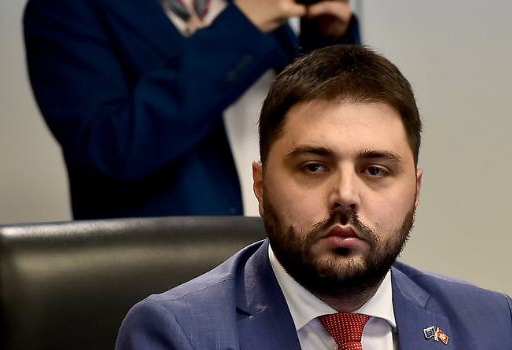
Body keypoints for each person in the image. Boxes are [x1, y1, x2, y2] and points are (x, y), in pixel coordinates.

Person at [105, 45, 512, 350]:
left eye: (375, 170)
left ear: (416, 191)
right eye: (314, 167)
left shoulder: (490, 327)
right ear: (261, 185)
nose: (345, 195)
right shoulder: (177, 336)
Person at [23, 0, 359, 219]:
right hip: (171, 276)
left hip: (290, 264)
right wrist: (239, 29)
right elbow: (111, 148)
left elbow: (323, 130)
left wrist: (328, 38)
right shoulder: (66, 9)